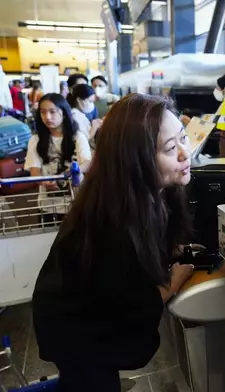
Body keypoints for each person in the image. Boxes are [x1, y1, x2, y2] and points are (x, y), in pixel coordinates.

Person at [32, 94, 195, 391]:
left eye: (184, 138)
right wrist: (171, 284)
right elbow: (129, 308)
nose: (186, 153)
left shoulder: (140, 190)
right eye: (171, 147)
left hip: (89, 317)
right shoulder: (113, 217)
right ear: (136, 159)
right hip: (73, 327)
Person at [25, 93, 92, 223]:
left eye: (52, 112)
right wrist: (43, 182)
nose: (47, 117)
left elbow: (87, 162)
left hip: (76, 202)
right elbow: (34, 170)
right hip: (48, 206)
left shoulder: (77, 137)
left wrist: (70, 172)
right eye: (43, 112)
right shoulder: (35, 140)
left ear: (64, 113)